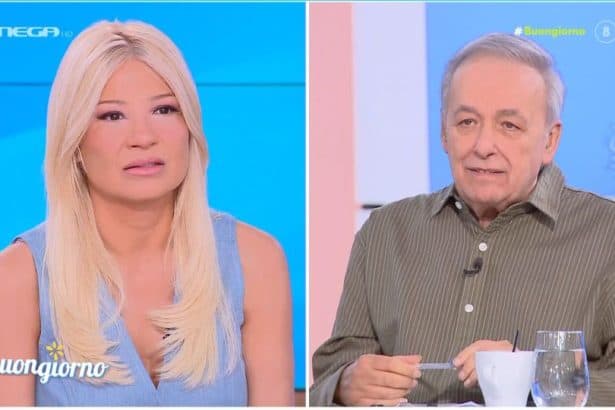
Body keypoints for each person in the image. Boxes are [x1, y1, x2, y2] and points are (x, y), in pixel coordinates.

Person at [310, 33, 615, 406]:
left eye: (509, 126)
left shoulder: (606, 233)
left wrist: (537, 376)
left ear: (550, 140)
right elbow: (332, 373)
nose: (483, 146)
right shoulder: (386, 232)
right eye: (467, 122)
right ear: (444, 132)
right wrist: (345, 385)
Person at [0, 20, 294, 406]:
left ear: (189, 126)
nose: (143, 137)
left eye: (164, 109)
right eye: (112, 116)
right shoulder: (17, 277)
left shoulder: (256, 260)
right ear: (74, 140)